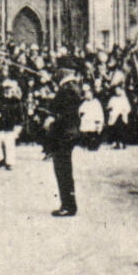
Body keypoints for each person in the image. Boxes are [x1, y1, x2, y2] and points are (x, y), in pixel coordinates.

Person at [42, 58, 82, 217]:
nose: (56, 72)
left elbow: (65, 112)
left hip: (64, 134)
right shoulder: (70, 87)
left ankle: (68, 205)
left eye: (59, 69)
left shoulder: (67, 89)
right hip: (67, 133)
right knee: (64, 170)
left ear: (65, 71)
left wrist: (52, 119)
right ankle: (67, 204)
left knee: (63, 171)